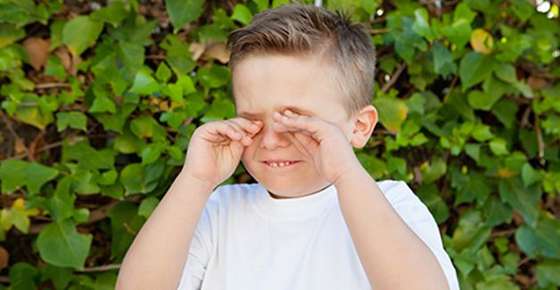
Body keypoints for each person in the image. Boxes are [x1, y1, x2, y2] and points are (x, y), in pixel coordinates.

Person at [116, 3, 460, 290]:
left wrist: (346, 173)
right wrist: (194, 180)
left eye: (296, 122)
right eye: (254, 120)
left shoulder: (391, 206)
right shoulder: (217, 212)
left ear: (358, 127)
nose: (270, 141)